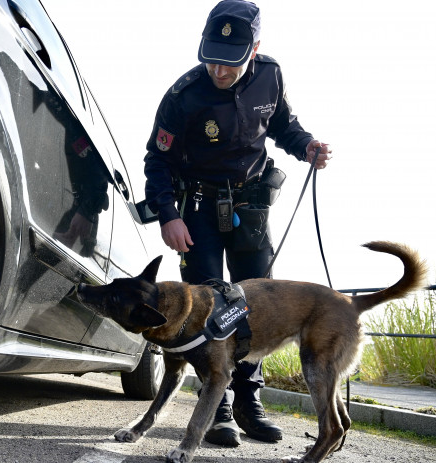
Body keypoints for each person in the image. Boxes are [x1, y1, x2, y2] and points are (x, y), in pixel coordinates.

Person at [143, 0, 332, 448]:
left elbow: (284, 125)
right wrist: (169, 215)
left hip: (250, 208)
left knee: (254, 306)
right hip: (198, 213)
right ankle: (219, 410)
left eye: (229, 62)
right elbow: (157, 160)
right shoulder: (182, 95)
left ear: (255, 48)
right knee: (209, 310)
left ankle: (249, 402)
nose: (218, 70)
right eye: (210, 57)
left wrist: (306, 146)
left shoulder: (271, 74)